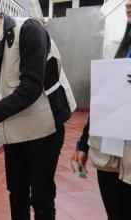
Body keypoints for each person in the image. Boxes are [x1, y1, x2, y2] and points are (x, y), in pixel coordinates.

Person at [0, 1, 76, 219]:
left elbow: (31, 89)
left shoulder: (29, 30)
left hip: (43, 129)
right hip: (13, 131)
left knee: (41, 197)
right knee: (16, 193)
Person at [72, 1, 131, 219]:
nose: (128, 4)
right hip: (110, 148)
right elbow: (103, 101)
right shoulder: (116, 47)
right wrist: (84, 143)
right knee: (115, 213)